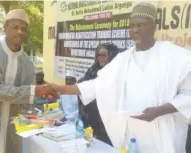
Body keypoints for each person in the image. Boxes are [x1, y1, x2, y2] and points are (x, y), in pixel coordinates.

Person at [51, 3, 191, 153]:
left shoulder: (176, 56)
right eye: (132, 26)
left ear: (153, 26)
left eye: (141, 25)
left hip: (163, 137)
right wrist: (59, 89)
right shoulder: (122, 59)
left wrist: (160, 111)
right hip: (132, 137)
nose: (135, 30)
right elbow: (95, 85)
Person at [0, 9, 57, 153]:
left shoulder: (28, 63)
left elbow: (28, 100)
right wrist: (37, 90)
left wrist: (44, 105)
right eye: (15, 27)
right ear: (5, 28)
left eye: (24, 29)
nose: (20, 32)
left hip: (12, 128)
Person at [78, 43, 119, 145]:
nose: (100, 58)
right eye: (98, 55)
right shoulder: (92, 70)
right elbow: (84, 90)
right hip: (92, 116)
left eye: (103, 55)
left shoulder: (118, 72)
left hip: (109, 117)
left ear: (112, 55)